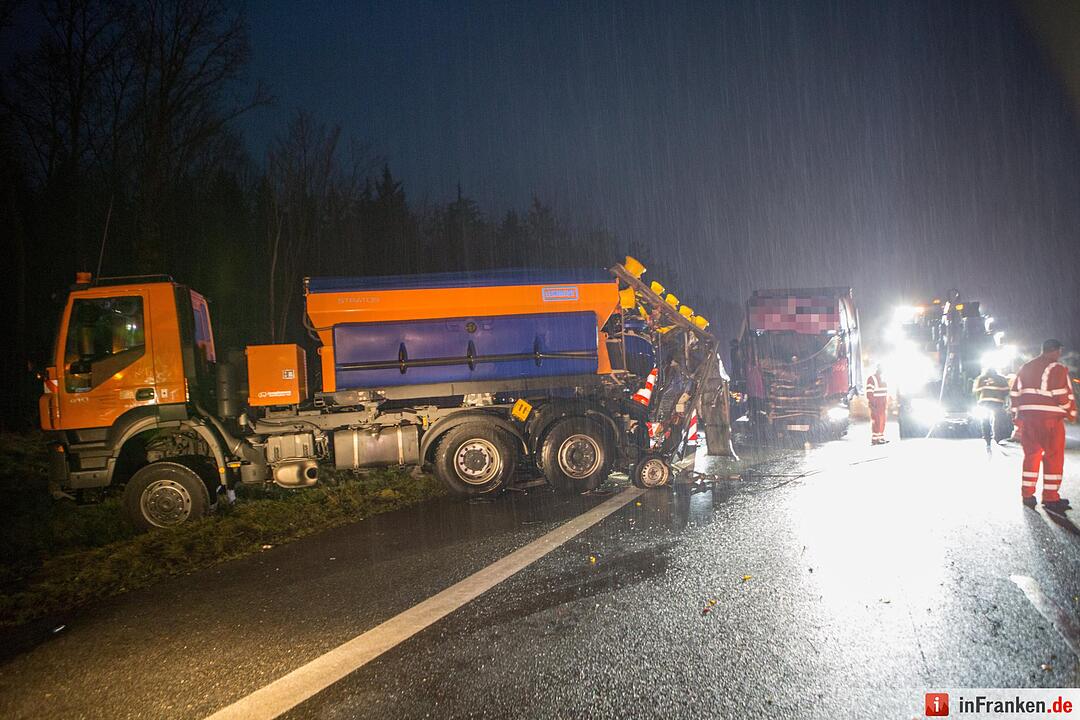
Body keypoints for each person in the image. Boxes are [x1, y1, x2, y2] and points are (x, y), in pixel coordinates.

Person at [1009, 339, 1077, 511]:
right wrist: (1070, 411)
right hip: (1050, 420)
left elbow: (1015, 393)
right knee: (1053, 457)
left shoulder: (1026, 367)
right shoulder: (1056, 368)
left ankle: (1027, 495)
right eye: (1059, 351)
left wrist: (1017, 419)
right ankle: (1051, 497)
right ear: (1055, 351)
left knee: (1031, 455)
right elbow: (1060, 393)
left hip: (1028, 419)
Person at [972, 366, 1010, 446]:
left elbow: (975, 392)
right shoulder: (1001, 379)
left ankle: (987, 437)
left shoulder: (980, 378)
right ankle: (997, 437)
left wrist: (979, 401)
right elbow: (1006, 391)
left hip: (984, 402)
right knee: (997, 420)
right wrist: (1005, 402)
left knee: (985, 420)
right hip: (997, 402)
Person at [866, 365, 889, 445]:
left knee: (882, 421)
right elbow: (869, 393)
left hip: (882, 404)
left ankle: (880, 437)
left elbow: (885, 393)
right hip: (876, 404)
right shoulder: (871, 379)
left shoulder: (883, 379)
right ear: (878, 369)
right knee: (877, 421)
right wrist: (872, 404)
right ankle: (875, 439)